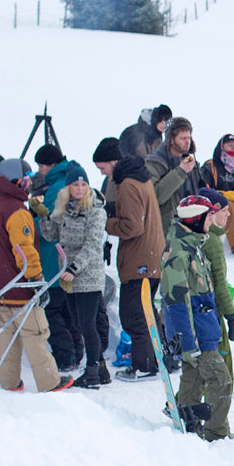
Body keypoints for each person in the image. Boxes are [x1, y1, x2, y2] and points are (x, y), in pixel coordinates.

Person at [0, 158, 71, 393]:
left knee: (8, 335)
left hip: (1, 286)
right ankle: (50, 381)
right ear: (17, 181)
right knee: (36, 333)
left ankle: (9, 381)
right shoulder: (17, 211)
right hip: (21, 285)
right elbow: (25, 250)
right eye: (27, 179)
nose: (30, 183)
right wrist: (36, 281)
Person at [161, 189, 234, 440]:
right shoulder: (179, 253)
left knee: (193, 381)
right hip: (196, 335)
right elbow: (176, 301)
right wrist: (187, 342)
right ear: (195, 219)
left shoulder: (195, 245)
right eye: (207, 217)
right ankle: (216, 432)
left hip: (204, 329)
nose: (211, 221)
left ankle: (190, 427)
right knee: (220, 380)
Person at [99, 149, 165, 382]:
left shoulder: (127, 185)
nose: (102, 173)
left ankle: (146, 365)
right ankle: (160, 359)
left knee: (134, 315)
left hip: (140, 261)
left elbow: (132, 227)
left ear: (114, 162)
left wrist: (105, 223)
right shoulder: (141, 178)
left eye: (102, 167)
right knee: (147, 312)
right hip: (151, 256)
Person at [48, 162, 110, 388]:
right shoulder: (66, 210)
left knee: (87, 324)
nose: (80, 188)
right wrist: (44, 215)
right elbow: (49, 234)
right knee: (77, 321)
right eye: (76, 184)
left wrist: (74, 268)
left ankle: (92, 372)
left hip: (88, 276)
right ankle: (101, 370)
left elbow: (94, 245)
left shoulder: (95, 210)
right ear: (68, 188)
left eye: (84, 183)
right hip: (69, 277)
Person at [30, 143, 79, 372]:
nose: (40, 170)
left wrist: (35, 215)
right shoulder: (69, 180)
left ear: (50, 165)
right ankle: (76, 353)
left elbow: (47, 224)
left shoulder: (56, 187)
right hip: (68, 256)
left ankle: (64, 356)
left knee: (51, 310)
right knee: (67, 310)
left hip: (54, 258)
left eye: (41, 165)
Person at [146, 117, 201, 236]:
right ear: (170, 140)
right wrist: (180, 172)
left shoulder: (192, 164)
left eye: (189, 138)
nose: (187, 142)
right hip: (167, 231)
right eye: (183, 138)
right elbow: (154, 196)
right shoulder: (154, 163)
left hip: (193, 226)